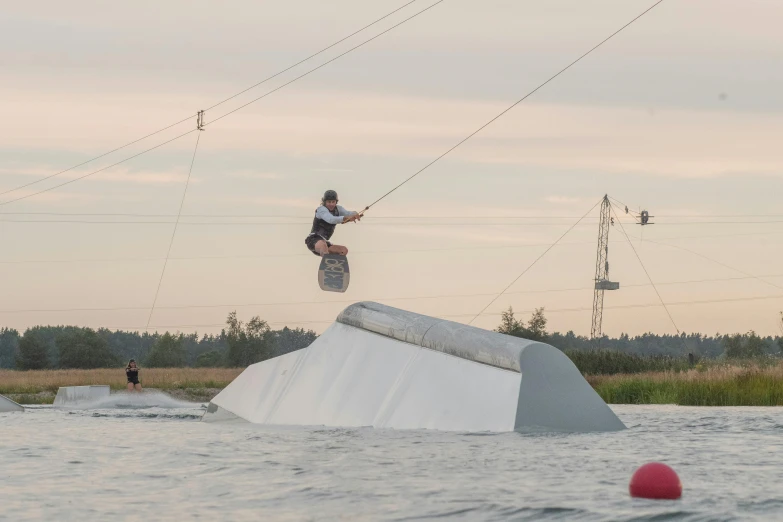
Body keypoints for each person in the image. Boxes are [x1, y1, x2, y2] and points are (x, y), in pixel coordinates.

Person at [304, 190, 361, 257]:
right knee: (323, 245)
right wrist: (344, 218)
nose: (331, 204)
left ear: (336, 202)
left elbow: (348, 213)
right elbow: (330, 219)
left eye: (333, 202)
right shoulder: (321, 210)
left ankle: (336, 265)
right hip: (313, 240)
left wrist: (355, 214)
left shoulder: (339, 209)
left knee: (343, 250)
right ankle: (326, 262)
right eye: (329, 202)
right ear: (324, 202)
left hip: (325, 242)